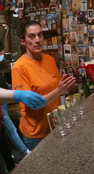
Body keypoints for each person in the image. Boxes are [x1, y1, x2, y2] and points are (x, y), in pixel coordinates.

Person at [12, 21, 77, 150]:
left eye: (40, 35)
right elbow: (31, 106)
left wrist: (68, 88)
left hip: (55, 126)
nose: (38, 40)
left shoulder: (49, 60)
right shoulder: (19, 67)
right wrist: (59, 91)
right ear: (23, 42)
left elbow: (57, 89)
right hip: (36, 134)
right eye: (32, 36)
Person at [0, 42, 30, 155]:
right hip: (1, 105)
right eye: (1, 52)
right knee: (12, 129)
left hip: (4, 104)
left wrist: (10, 87)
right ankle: (25, 151)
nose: (2, 54)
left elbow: (4, 82)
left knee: (7, 131)